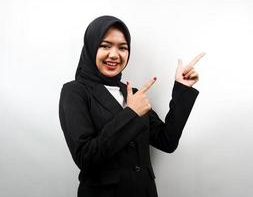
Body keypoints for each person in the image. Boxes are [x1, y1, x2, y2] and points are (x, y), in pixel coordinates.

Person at [59, 15, 204, 197]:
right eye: (105, 45)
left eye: (123, 48)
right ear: (90, 47)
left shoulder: (132, 93)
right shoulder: (75, 91)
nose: (114, 54)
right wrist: (131, 113)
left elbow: (167, 141)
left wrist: (182, 90)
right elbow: (85, 157)